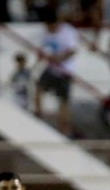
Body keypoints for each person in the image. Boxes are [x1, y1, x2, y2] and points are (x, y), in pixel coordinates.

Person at [33, 7, 79, 137]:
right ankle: (39, 117)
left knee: (63, 101)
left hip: (65, 71)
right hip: (51, 69)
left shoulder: (67, 32)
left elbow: (72, 51)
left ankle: (64, 128)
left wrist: (59, 59)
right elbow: (43, 48)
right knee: (38, 88)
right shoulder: (46, 33)